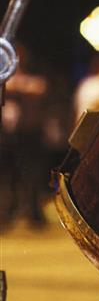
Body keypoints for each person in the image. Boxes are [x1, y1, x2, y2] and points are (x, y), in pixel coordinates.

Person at [2, 42, 49, 226]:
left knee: (31, 173)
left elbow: (39, 88)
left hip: (28, 134)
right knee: (7, 176)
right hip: (6, 135)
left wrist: (16, 87)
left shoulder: (34, 76)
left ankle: (33, 212)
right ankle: (7, 212)